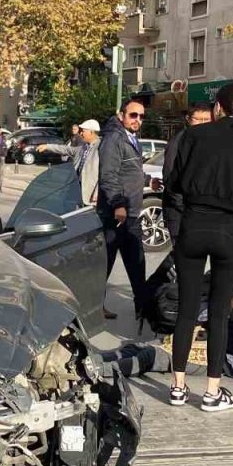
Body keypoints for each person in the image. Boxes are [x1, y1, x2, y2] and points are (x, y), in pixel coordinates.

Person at [165, 84, 233, 411]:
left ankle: (178, 387)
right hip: (229, 231)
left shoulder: (194, 136)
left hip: (193, 225)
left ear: (218, 108)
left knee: (186, 310)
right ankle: (212, 392)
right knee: (220, 313)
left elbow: (176, 182)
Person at [98, 100, 155, 321]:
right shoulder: (114, 138)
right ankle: (94, 308)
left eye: (141, 116)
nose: (137, 120)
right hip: (116, 214)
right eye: (133, 115)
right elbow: (108, 176)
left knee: (136, 263)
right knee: (106, 264)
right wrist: (118, 204)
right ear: (121, 115)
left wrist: (149, 181)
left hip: (130, 213)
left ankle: (142, 308)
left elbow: (130, 171)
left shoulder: (131, 138)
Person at [156, 102, 213, 244]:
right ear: (188, 119)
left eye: (207, 119)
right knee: (182, 256)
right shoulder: (179, 142)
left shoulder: (206, 141)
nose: (203, 123)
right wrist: (187, 208)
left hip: (197, 212)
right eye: (198, 119)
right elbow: (170, 179)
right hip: (181, 212)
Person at [36, 119, 102, 204]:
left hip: (91, 196)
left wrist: (97, 192)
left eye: (83, 131)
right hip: (76, 191)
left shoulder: (102, 147)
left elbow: (105, 173)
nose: (81, 133)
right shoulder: (83, 147)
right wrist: (48, 146)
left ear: (92, 132)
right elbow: (66, 149)